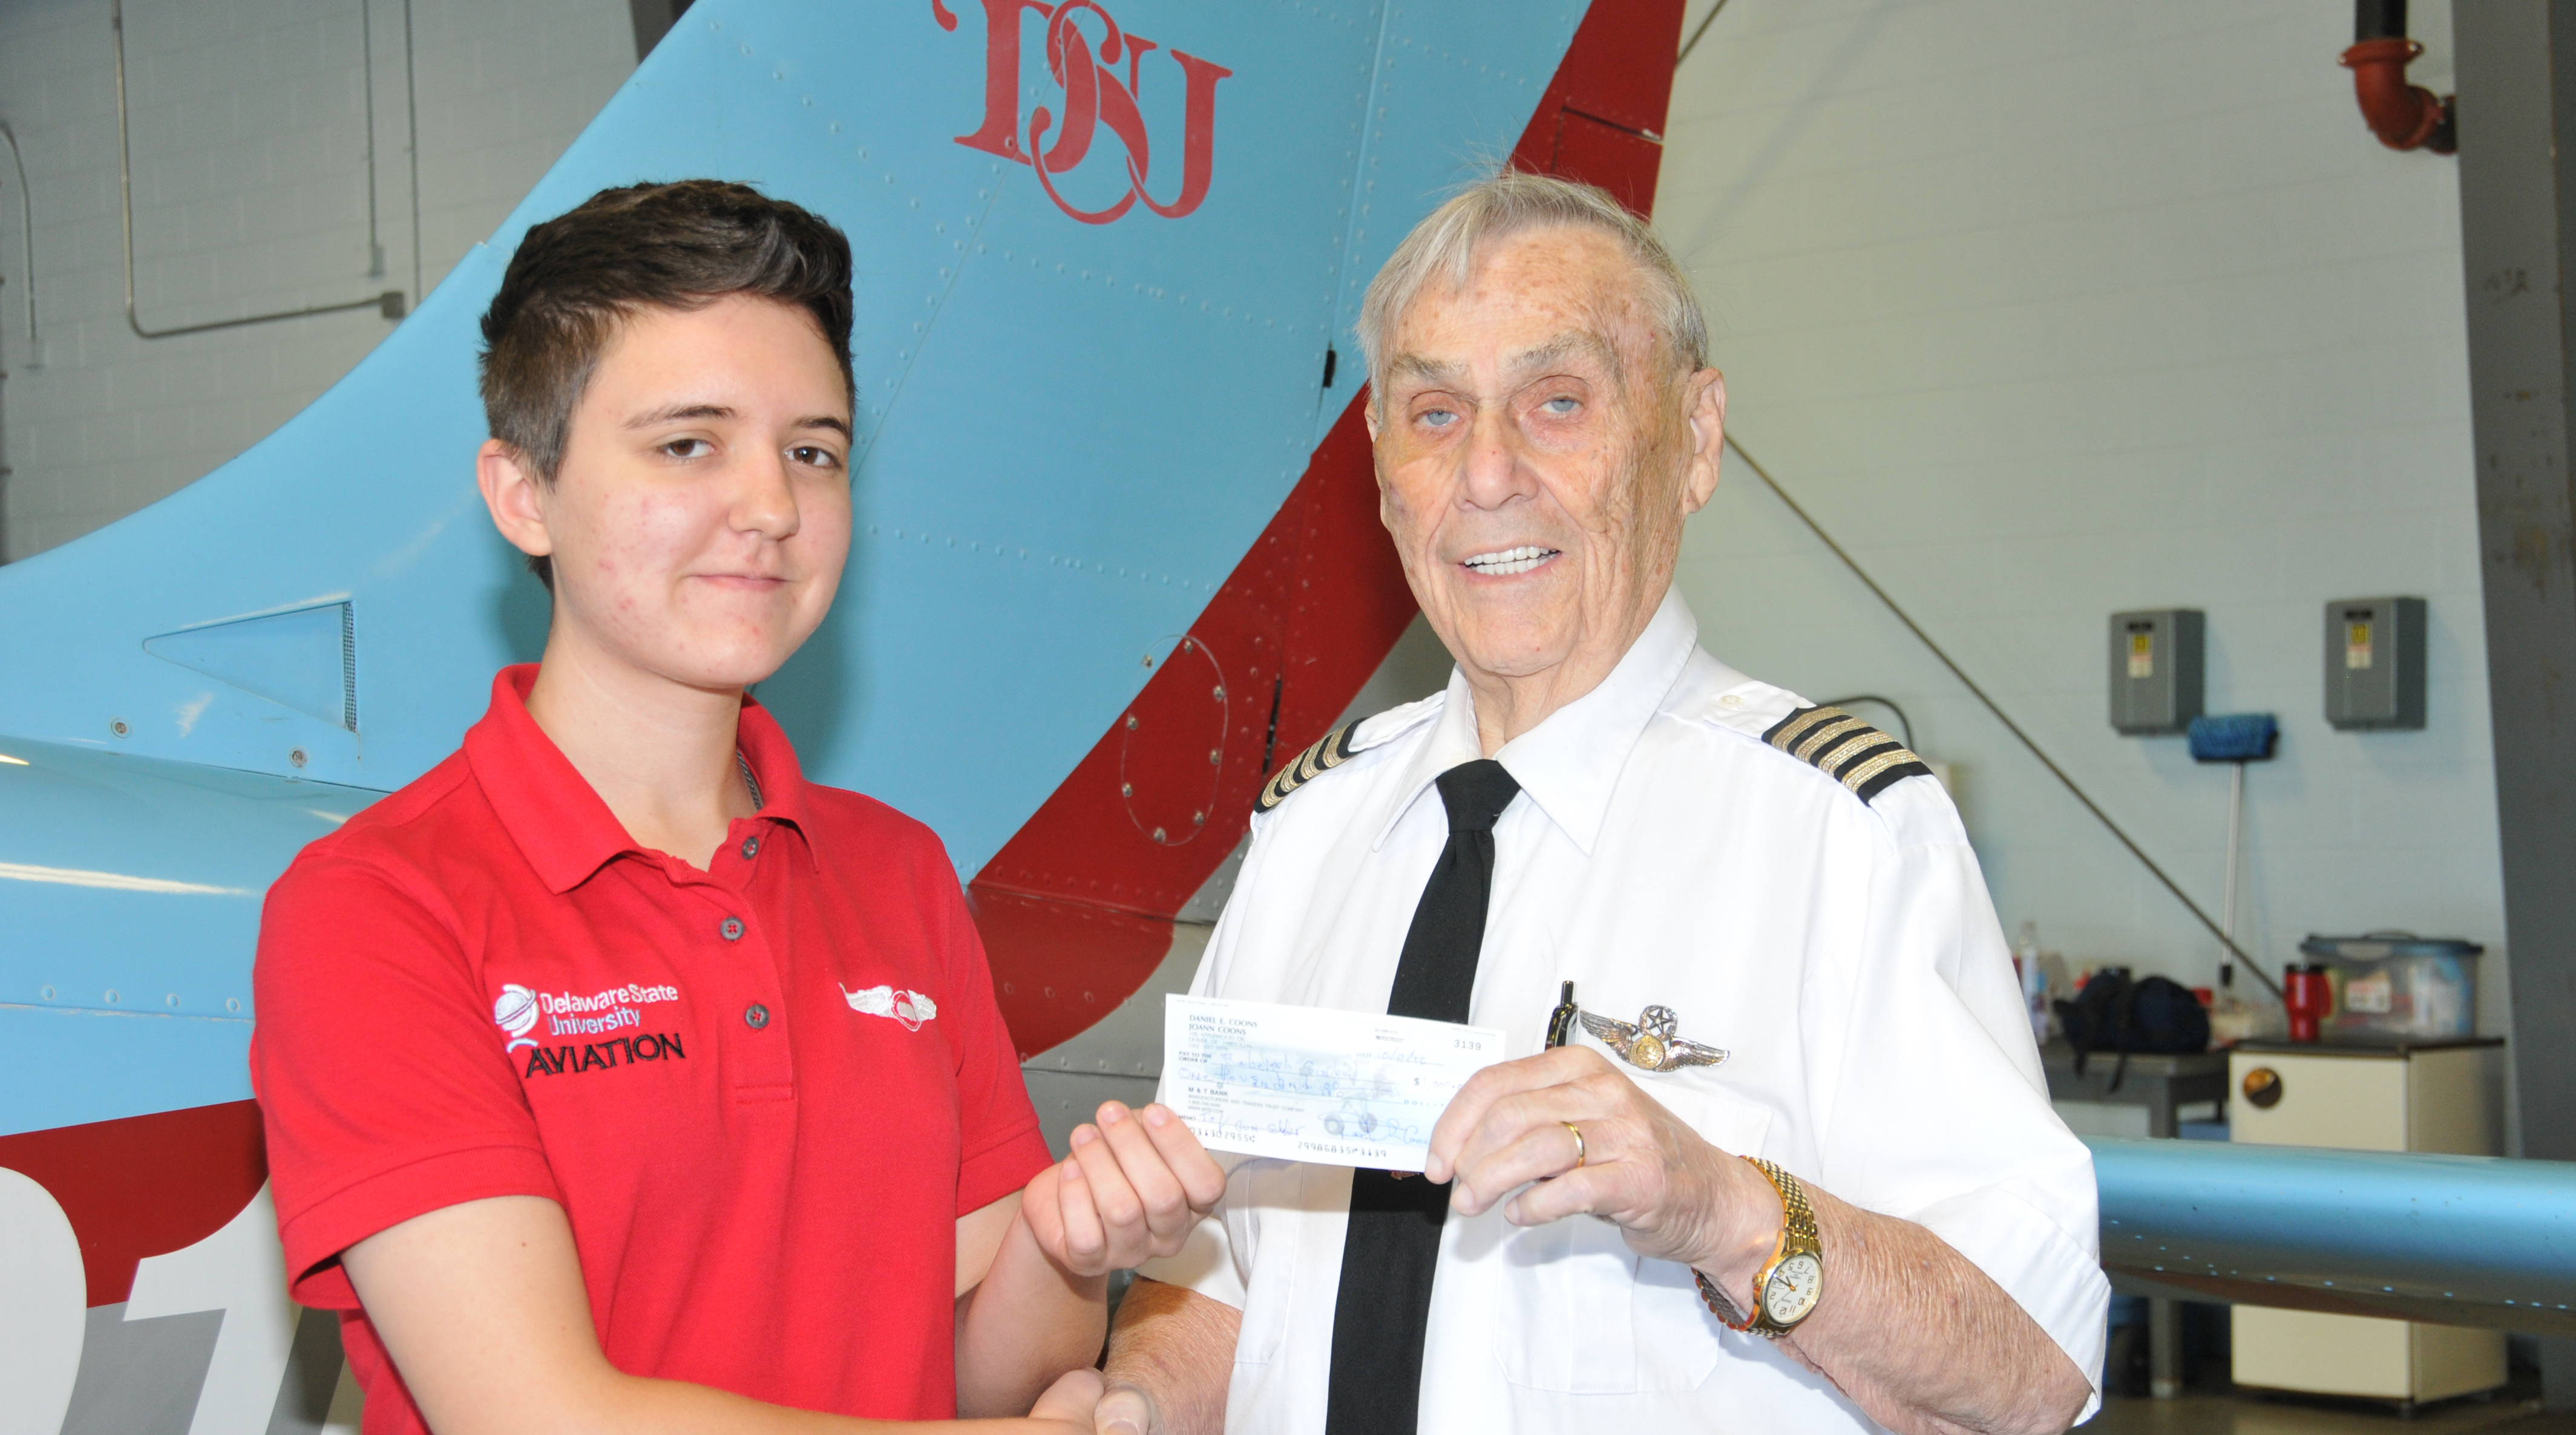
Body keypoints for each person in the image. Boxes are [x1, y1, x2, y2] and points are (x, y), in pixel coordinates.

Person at [1091, 172, 2106, 1435]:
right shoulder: (1307, 836)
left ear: (1691, 440)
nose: (1487, 473)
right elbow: (1235, 1293)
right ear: (1379, 469)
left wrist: (1722, 1208)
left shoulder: (1839, 836)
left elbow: (2027, 1375)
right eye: (1433, 412)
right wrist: (1125, 1404)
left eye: (1556, 402)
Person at [251, 180, 1222, 1435]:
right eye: (687, 443)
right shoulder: (374, 909)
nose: (771, 505)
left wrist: (1071, 1244)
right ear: (521, 492)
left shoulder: (897, 872)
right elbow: (540, 1417)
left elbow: (981, 1372)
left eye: (812, 450)